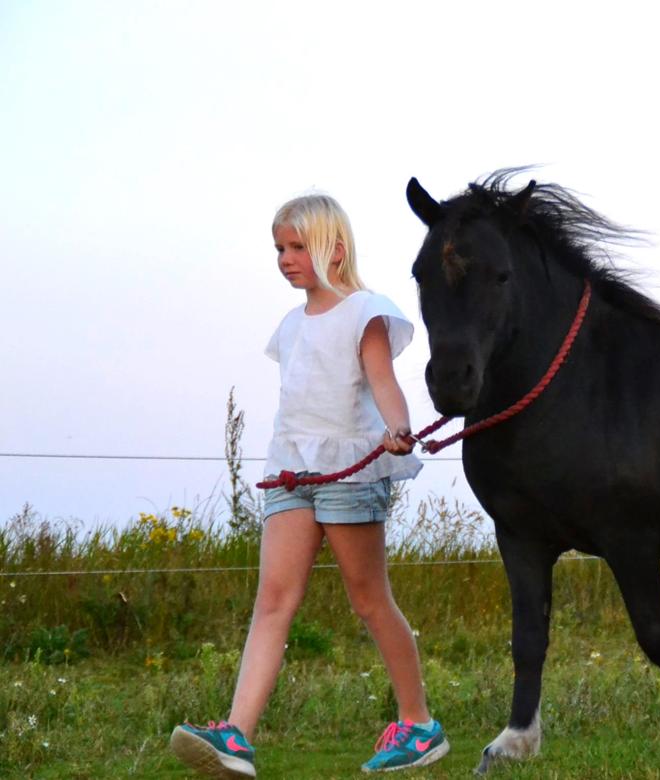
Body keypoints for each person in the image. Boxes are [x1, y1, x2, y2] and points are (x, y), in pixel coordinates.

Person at [170, 194, 447, 777]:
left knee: (369, 600)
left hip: (349, 469)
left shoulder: (365, 311)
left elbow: (382, 382)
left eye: (297, 247)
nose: (285, 259)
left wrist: (399, 427)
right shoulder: (291, 325)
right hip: (291, 471)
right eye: (279, 248)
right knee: (273, 600)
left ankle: (419, 724)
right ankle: (237, 738)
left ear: (335, 249)